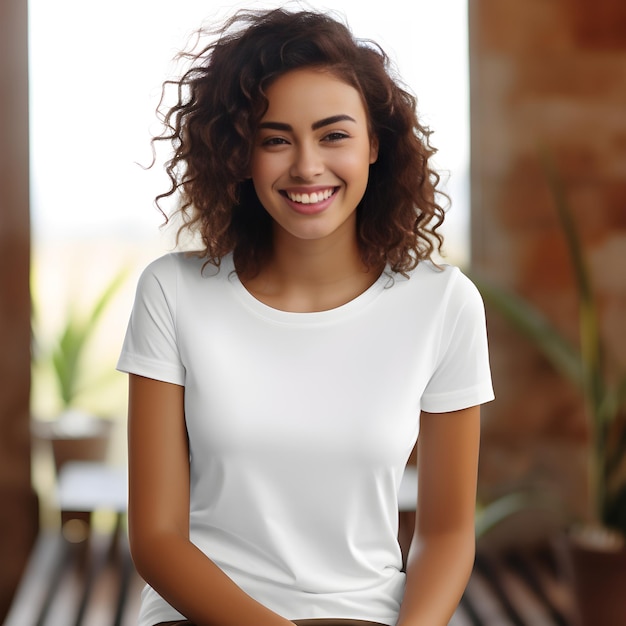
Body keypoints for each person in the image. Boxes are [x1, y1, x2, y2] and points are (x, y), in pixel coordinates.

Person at [117, 7, 494, 626]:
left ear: (375, 144)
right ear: (241, 155)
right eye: (275, 139)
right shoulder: (172, 292)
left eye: (333, 134)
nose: (306, 166)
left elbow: (447, 535)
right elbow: (157, 539)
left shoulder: (443, 304)